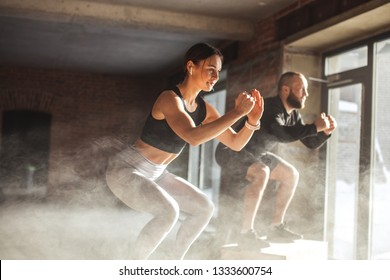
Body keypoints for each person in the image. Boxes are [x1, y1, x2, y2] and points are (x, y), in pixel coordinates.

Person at [105, 43, 264, 260]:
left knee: (204, 208)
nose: (216, 76)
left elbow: (235, 143)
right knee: (168, 212)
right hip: (126, 169)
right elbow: (193, 136)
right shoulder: (169, 99)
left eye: (218, 71)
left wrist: (251, 122)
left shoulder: (204, 109)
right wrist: (237, 112)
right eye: (210, 69)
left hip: (158, 173)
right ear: (191, 67)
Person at [215, 71, 337, 248]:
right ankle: (245, 233)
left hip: (255, 153)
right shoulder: (270, 107)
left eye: (306, 89)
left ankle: (276, 227)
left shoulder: (293, 115)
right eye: (301, 88)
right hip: (231, 150)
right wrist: (314, 127)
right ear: (285, 90)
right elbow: (282, 134)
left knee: (291, 174)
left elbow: (310, 142)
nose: (306, 93)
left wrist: (325, 133)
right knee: (261, 171)